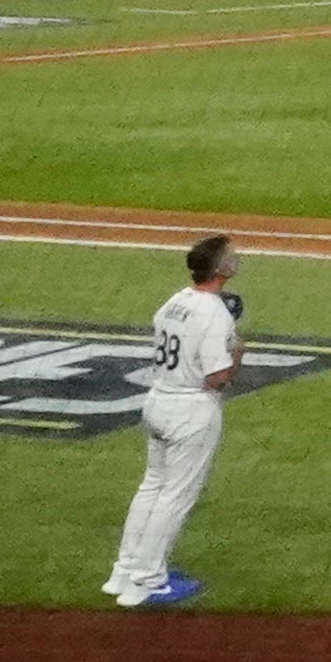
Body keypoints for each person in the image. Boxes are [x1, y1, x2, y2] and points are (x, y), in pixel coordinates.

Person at [107, 233, 241, 609]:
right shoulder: (215, 313)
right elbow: (217, 376)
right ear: (220, 269)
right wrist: (238, 351)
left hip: (158, 400)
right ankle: (150, 579)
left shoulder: (173, 302)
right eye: (232, 256)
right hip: (190, 410)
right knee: (175, 495)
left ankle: (125, 570)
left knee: (152, 486)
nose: (237, 259)